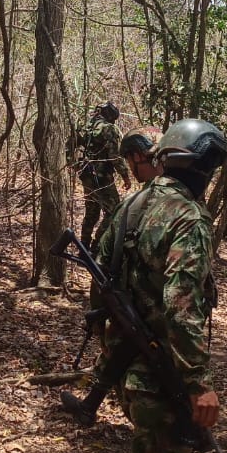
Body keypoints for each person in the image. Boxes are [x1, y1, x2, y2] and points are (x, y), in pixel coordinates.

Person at [53, 118, 227, 453]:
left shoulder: (131, 206)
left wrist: (111, 351)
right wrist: (198, 383)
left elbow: (101, 289)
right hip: (157, 367)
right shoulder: (189, 217)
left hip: (126, 360)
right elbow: (181, 307)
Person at [60, 125, 163, 427]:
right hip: (145, 304)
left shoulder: (135, 205)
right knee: (123, 354)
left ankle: (166, 430)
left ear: (140, 157)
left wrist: (101, 314)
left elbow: (104, 263)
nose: (129, 165)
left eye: (131, 160)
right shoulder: (182, 202)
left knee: (142, 364)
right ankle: (91, 405)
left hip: (146, 307)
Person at [74, 102, 131, 249]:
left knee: (91, 212)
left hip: (86, 175)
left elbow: (71, 145)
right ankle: (96, 246)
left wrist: (74, 165)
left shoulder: (84, 127)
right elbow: (115, 156)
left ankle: (83, 247)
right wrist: (125, 175)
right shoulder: (108, 129)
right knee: (114, 211)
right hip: (102, 177)